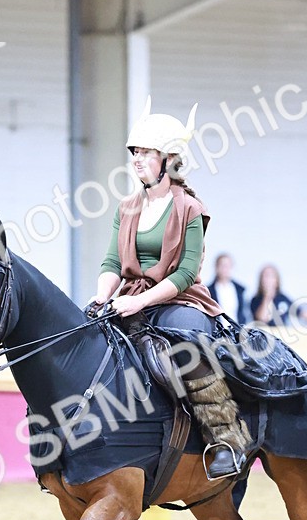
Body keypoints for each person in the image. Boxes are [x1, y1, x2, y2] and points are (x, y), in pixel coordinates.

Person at [90, 98, 252, 479]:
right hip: (130, 298)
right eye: (135, 152)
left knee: (186, 344)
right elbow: (113, 263)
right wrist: (102, 297)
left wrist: (140, 301)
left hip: (181, 300)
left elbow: (185, 273)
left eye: (146, 152)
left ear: (169, 160)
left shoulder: (190, 208)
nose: (137, 159)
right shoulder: (126, 207)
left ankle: (226, 438)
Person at [207, 252, 247, 325]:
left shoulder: (239, 289)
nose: (224, 269)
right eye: (222, 266)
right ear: (216, 267)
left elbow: (242, 312)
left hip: (237, 330)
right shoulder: (209, 290)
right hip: (218, 331)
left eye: (227, 266)